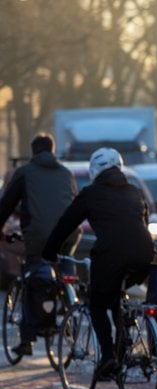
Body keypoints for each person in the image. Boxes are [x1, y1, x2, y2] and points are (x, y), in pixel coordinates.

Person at [42, 147, 156, 379]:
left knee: (97, 304)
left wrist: (50, 251)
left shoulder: (91, 194)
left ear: (95, 171)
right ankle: (123, 343)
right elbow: (143, 221)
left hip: (111, 255)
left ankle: (108, 356)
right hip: (145, 253)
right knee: (114, 296)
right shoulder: (134, 191)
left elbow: (67, 223)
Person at [0, 133, 80, 356]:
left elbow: (6, 205)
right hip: (69, 235)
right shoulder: (66, 173)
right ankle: (70, 311)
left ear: (33, 151)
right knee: (65, 268)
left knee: (31, 276)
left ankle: (27, 340)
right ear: (52, 150)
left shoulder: (24, 173)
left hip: (39, 236)